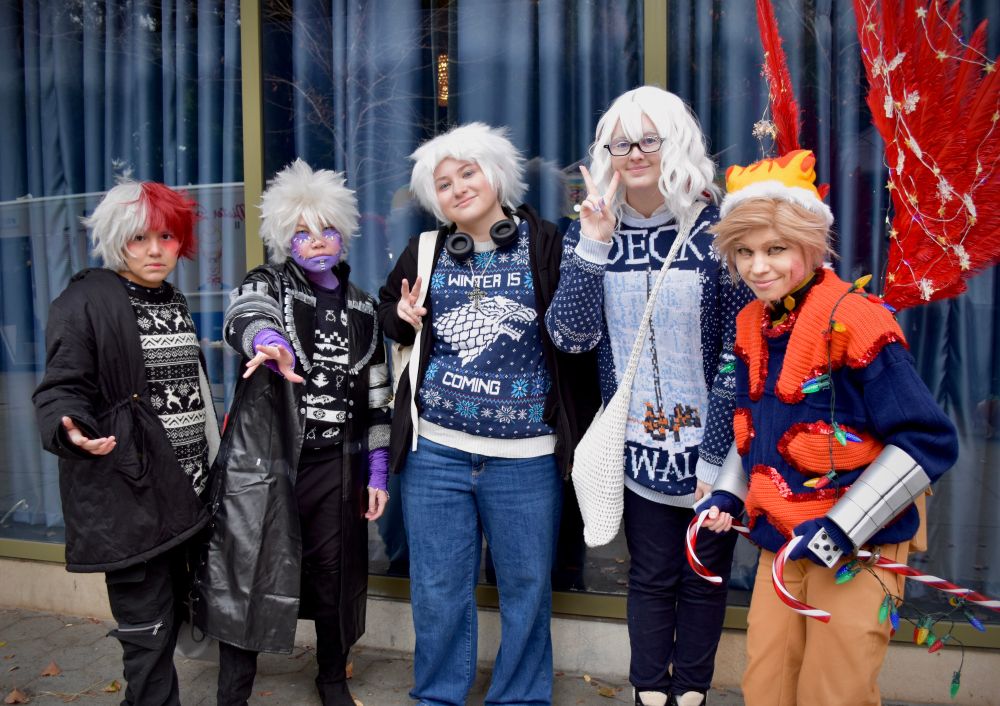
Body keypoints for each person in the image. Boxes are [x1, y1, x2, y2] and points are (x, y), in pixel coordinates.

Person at [701, 149, 959, 706]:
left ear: (810, 245)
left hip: (858, 550)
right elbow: (757, 425)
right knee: (767, 683)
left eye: (775, 249)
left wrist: (843, 527)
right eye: (743, 252)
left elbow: (926, 440)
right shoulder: (751, 321)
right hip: (782, 544)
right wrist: (727, 492)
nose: (757, 267)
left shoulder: (859, 317)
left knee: (833, 690)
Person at [378, 122, 600, 706]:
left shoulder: (549, 242)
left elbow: (580, 329)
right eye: (442, 183)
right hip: (437, 452)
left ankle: (521, 698)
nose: (456, 188)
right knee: (437, 587)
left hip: (526, 457)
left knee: (527, 587)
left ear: (496, 174)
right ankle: (437, 696)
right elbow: (390, 321)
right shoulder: (425, 250)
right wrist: (403, 316)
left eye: (467, 172)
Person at [544, 86, 752, 706]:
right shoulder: (592, 232)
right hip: (635, 449)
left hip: (715, 453)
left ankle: (690, 693)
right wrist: (595, 242)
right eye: (621, 142)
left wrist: (716, 463)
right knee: (651, 578)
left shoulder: (718, 233)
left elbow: (738, 355)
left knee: (704, 577)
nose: (634, 153)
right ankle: (647, 694)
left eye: (648, 139)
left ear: (675, 144)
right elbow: (570, 337)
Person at [193, 159, 391, 706]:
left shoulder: (365, 309)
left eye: (327, 229)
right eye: (302, 232)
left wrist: (377, 471)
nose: (317, 241)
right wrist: (264, 338)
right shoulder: (270, 283)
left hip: (336, 466)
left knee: (334, 576)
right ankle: (233, 691)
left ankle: (332, 677)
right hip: (267, 462)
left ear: (344, 233)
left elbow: (378, 396)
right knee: (249, 571)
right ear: (285, 238)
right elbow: (245, 310)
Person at [33, 181, 217, 706]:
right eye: (138, 238)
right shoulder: (83, 300)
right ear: (117, 241)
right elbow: (62, 385)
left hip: (187, 495)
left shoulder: (173, 299)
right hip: (130, 496)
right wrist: (68, 424)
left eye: (166, 236)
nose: (155, 250)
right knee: (147, 633)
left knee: (173, 619)